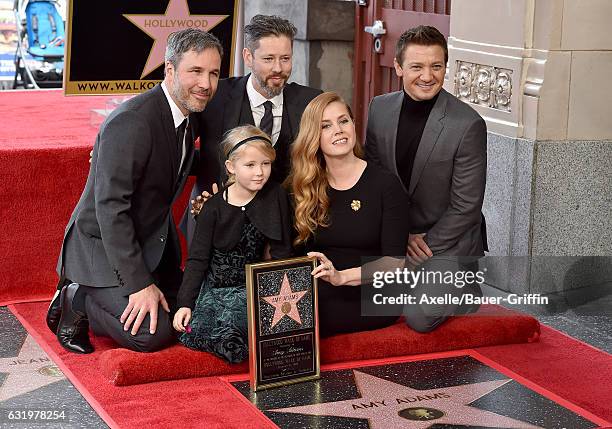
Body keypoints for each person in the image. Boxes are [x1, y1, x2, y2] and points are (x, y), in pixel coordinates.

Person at [46, 29, 223, 353]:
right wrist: (140, 285)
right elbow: (111, 210)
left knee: (194, 311)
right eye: (195, 71)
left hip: (151, 243)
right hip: (102, 248)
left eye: (213, 73)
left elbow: (174, 159)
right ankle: (79, 297)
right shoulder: (132, 122)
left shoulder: (188, 114)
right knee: (151, 335)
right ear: (169, 70)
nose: (206, 83)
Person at [365, 25, 487, 332]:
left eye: (436, 66)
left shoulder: (468, 124)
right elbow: (373, 179)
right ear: (398, 67)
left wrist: (424, 245)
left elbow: (466, 207)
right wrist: (398, 236)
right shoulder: (379, 108)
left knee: (419, 317)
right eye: (417, 66)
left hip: (445, 238)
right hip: (397, 234)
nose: (427, 76)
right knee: (361, 300)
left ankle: (464, 289)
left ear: (446, 67)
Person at [183, 14, 321, 238]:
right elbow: (182, 150)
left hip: (288, 233)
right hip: (218, 233)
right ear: (248, 56)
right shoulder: (213, 97)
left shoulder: (311, 103)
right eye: (268, 59)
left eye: (285, 58)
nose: (278, 68)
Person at [286, 91, 409, 337]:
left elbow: (394, 263)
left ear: (354, 124)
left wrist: (341, 277)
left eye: (344, 121)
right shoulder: (301, 186)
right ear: (313, 136)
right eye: (326, 126)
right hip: (319, 289)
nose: (339, 130)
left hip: (372, 293)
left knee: (301, 316)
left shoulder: (386, 185)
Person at [173, 125, 293, 363]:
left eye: (265, 164)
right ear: (231, 167)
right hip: (216, 289)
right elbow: (197, 260)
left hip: (252, 288)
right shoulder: (213, 208)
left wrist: (284, 297)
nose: (260, 172)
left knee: (245, 333)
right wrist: (185, 303)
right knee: (206, 331)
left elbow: (283, 252)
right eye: (250, 165)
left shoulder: (275, 196)